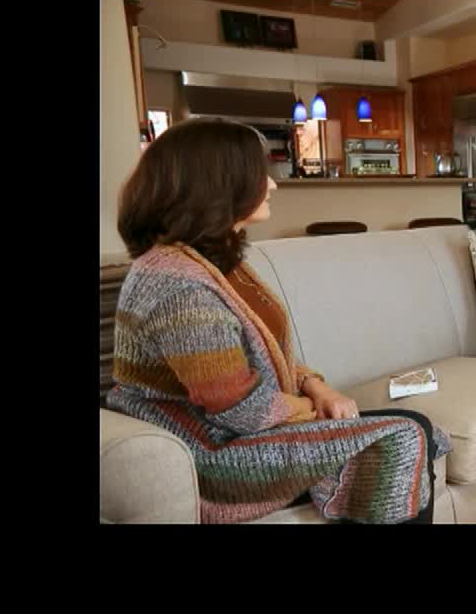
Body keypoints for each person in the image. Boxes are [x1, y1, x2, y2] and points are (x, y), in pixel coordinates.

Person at [106, 117, 450, 524]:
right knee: (403, 439)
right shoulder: (177, 284)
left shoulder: (215, 261)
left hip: (244, 429)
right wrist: (312, 408)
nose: (272, 185)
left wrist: (316, 386)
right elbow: (240, 410)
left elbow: (264, 358)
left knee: (418, 427)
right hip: (214, 451)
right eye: (260, 174)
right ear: (222, 184)